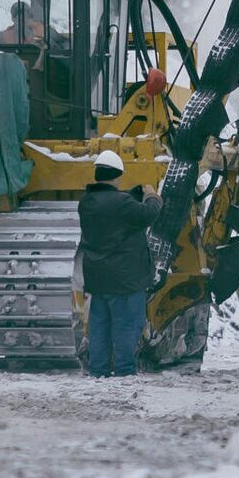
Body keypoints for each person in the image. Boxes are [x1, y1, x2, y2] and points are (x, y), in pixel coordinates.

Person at [77, 150, 161, 377]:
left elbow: (114, 209)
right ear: (118, 175)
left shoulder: (86, 203)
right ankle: (124, 372)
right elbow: (148, 214)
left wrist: (130, 196)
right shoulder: (123, 204)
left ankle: (98, 372)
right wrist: (152, 196)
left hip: (98, 278)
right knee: (125, 327)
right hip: (125, 280)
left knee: (100, 328)